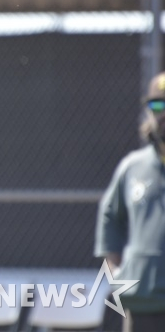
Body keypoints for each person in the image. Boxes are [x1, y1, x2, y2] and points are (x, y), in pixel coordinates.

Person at [95, 71, 165, 332]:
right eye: (158, 105)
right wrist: (115, 274)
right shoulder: (133, 167)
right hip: (141, 305)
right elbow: (109, 216)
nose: (163, 113)